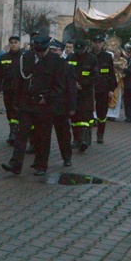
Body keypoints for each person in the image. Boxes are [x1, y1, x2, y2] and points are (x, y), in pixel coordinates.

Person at [1, 35, 70, 176]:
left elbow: (60, 86)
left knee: (43, 136)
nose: (39, 54)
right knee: (21, 134)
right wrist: (16, 101)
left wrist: (47, 98)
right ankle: (15, 164)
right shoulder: (25, 58)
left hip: (45, 105)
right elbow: (19, 80)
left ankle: (41, 165)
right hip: (26, 103)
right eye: (37, 51)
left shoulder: (56, 61)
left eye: (42, 51)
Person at [48, 39, 77, 167]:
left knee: (63, 134)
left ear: (61, 51)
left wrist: (72, 106)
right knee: (43, 135)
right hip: (46, 106)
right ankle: (41, 161)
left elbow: (71, 88)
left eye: (56, 50)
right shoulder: (44, 64)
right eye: (51, 50)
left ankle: (67, 157)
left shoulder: (66, 66)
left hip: (61, 106)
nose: (53, 53)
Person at [67, 39, 98, 152]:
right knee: (74, 117)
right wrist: (73, 84)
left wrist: (83, 83)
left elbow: (95, 75)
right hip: (73, 92)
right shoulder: (70, 57)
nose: (79, 52)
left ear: (86, 48)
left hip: (86, 92)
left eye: (81, 49)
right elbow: (65, 72)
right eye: (77, 49)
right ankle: (76, 139)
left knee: (84, 116)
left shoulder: (92, 58)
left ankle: (84, 140)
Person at [0, 35, 22, 145]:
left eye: (16, 42)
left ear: (19, 44)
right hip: (8, 89)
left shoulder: (24, 57)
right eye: (11, 42)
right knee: (9, 110)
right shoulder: (4, 57)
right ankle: (12, 131)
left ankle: (18, 132)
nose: (13, 44)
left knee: (19, 111)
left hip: (20, 90)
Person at [91, 35, 116, 143]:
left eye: (99, 42)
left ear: (103, 44)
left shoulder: (107, 57)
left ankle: (100, 134)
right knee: (87, 112)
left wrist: (111, 89)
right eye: (95, 42)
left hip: (103, 88)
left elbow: (112, 74)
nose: (97, 45)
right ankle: (85, 136)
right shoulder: (89, 55)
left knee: (102, 113)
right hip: (90, 88)